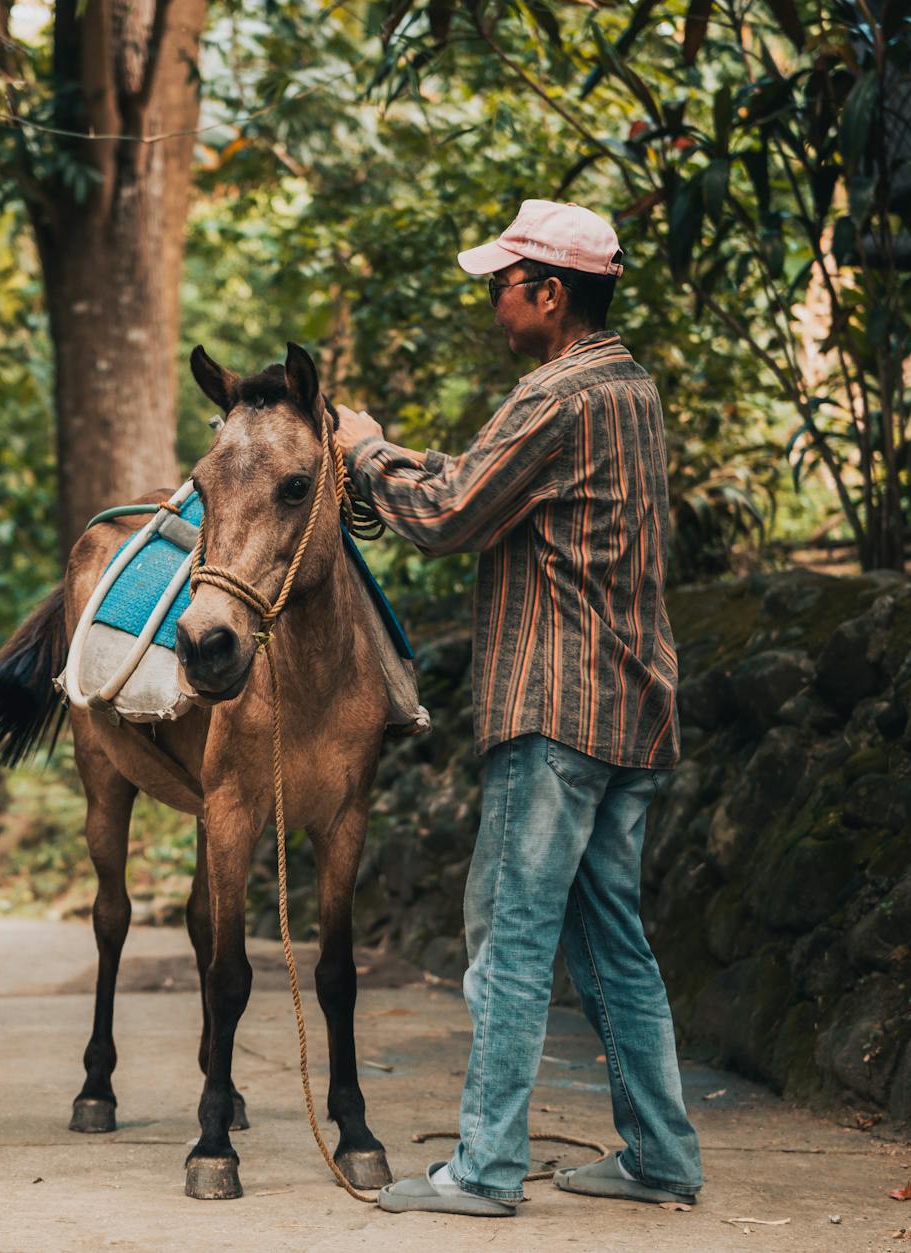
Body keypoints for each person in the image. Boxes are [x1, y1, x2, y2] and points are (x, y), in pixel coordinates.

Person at [332, 199, 704, 1219]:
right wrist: (392, 461)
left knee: (507, 940)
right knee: (612, 944)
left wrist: (363, 451)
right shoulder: (628, 387)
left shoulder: (556, 394)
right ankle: (659, 1155)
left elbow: (451, 511)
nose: (493, 301)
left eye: (501, 284)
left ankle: (485, 1168)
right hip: (629, 707)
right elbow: (480, 488)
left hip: (554, 711)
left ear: (548, 293)